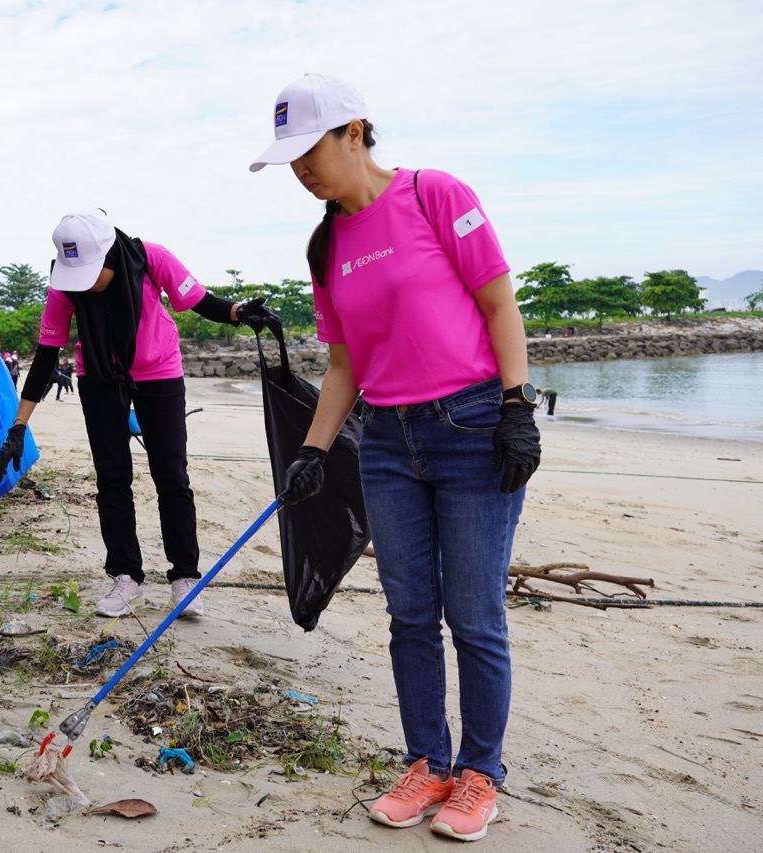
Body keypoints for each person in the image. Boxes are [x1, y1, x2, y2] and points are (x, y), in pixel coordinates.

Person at [250, 73, 541, 842]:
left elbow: (498, 303)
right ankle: (427, 762)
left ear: (354, 131)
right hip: (384, 440)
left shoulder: (434, 193)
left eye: (309, 149)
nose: (301, 170)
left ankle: (480, 774)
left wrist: (516, 406)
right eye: (289, 159)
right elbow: (344, 364)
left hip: (472, 424)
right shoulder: (325, 244)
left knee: (473, 613)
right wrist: (312, 451)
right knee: (409, 614)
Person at [0, 209, 277, 618]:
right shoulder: (65, 284)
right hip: (99, 377)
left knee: (172, 475)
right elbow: (44, 358)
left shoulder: (151, 258)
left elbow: (200, 301)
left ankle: (185, 577)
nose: (85, 284)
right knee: (112, 479)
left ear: (109, 255)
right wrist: (19, 425)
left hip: (159, 372)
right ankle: (126, 576)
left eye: (91, 273)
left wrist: (239, 312)